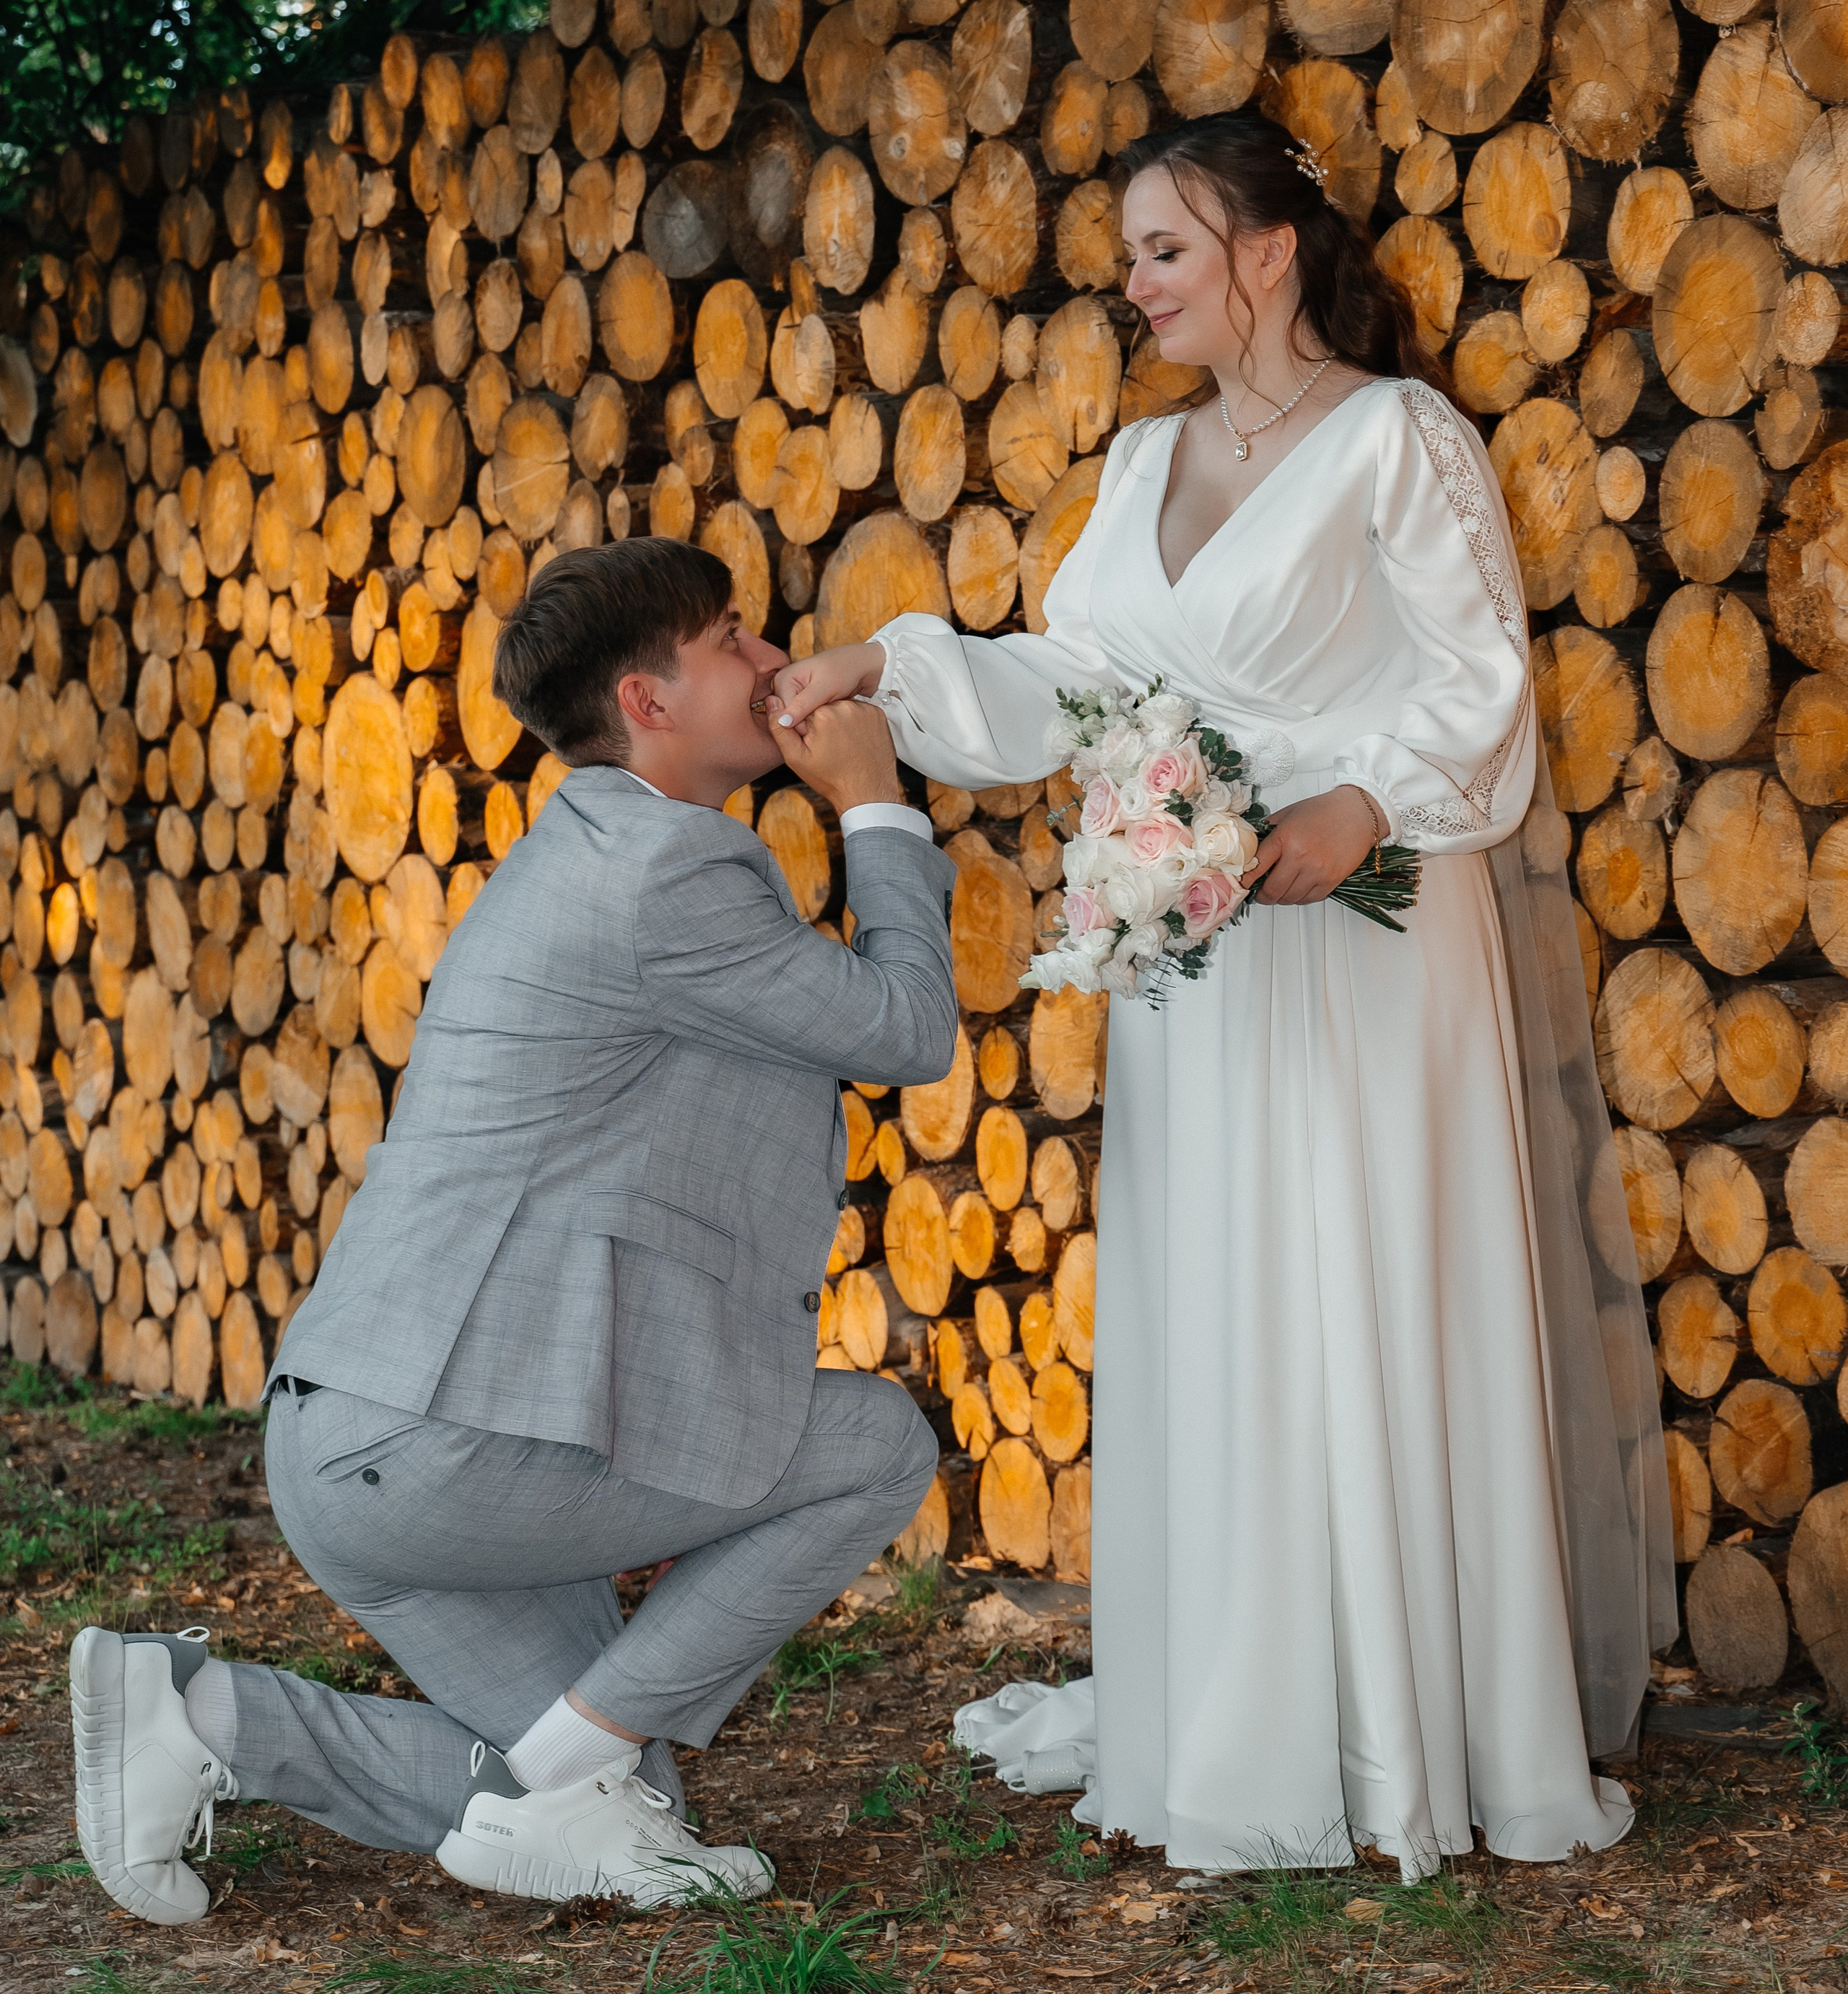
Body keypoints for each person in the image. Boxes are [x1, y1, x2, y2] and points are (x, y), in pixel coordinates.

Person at [774, 113, 1675, 1881]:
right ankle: (1235, 1713)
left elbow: (1477, 680)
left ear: (1267, 249)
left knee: (1364, 1275)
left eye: (1166, 248)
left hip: (1363, 944)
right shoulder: (1135, 463)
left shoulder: (1394, 440)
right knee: (1224, 1296)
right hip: (1191, 960)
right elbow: (1082, 682)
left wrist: (1359, 807)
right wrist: (891, 660)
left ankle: (1401, 1730)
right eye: (1132, 253)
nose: (1137, 282)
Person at [71, 538, 958, 1924]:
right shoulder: (669, 876)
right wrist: (876, 806)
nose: (776, 660)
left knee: (621, 1799)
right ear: (648, 700)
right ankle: (550, 1779)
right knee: (880, 1447)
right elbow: (906, 1029)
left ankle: (203, 1718)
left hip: (361, 1439)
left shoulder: (599, 846)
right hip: (445, 1439)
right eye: (734, 638)